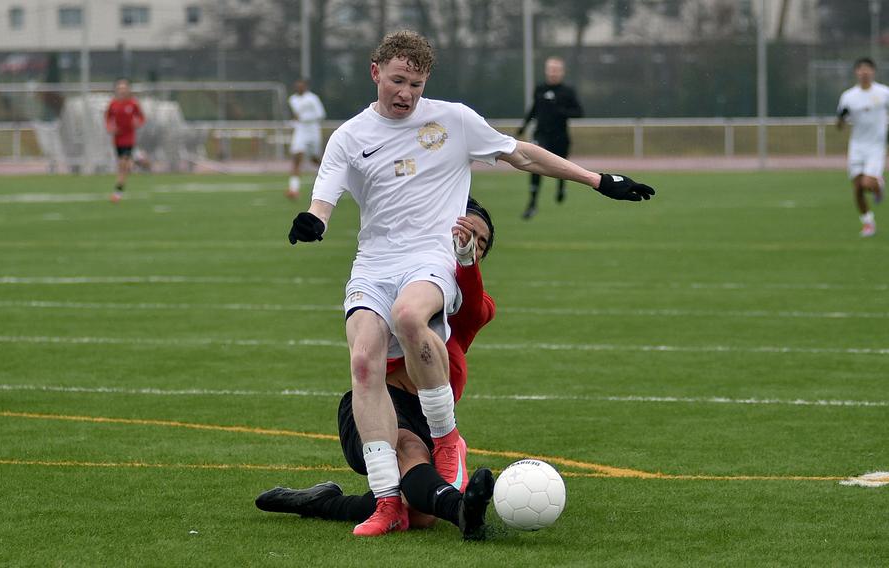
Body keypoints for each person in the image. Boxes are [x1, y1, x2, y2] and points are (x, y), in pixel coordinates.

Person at [288, 30, 653, 538]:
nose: (406, 94)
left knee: (410, 317)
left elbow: (521, 153)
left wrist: (597, 180)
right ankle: (387, 503)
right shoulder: (350, 136)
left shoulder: (453, 120)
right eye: (397, 81)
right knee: (361, 360)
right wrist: (314, 222)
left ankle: (446, 437)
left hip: (429, 257)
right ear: (376, 73)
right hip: (372, 262)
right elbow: (323, 197)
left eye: (416, 84)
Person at [259, 198, 498, 541]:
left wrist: (464, 261)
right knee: (410, 450)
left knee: (418, 516)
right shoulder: (392, 292)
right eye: (463, 231)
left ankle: (324, 502)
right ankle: (462, 511)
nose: (471, 243)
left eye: (481, 242)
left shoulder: (476, 306)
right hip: (378, 405)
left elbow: (472, 302)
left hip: (429, 415)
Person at [517, 57, 583, 220]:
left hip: (560, 136)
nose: (553, 72)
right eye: (550, 69)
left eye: (556, 69)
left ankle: (561, 186)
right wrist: (523, 126)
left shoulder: (568, 92)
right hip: (541, 135)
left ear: (562, 72)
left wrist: (560, 110)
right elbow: (533, 109)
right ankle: (532, 204)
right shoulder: (539, 89)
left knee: (562, 166)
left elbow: (579, 113)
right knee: (534, 165)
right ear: (546, 71)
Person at [837, 57, 889, 238]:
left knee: (867, 183)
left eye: (868, 69)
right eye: (861, 69)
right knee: (858, 188)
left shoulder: (884, 93)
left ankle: (878, 185)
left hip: (876, 145)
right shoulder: (848, 96)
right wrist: (842, 117)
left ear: (873, 71)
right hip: (857, 146)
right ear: (856, 72)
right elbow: (840, 125)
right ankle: (868, 222)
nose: (864, 72)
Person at [105, 78, 145, 203]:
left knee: (123, 165)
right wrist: (110, 127)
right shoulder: (113, 104)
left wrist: (137, 123)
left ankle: (117, 192)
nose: (122, 91)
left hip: (129, 137)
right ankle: (136, 160)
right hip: (117, 138)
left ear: (128, 90)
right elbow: (107, 118)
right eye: (119, 88)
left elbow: (142, 117)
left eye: (124, 88)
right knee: (122, 166)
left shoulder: (133, 103)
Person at [286, 78, 327, 200]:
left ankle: (330, 175)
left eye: (301, 86)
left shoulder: (312, 98)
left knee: (315, 159)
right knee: (297, 157)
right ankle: (293, 189)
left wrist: (304, 118)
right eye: (297, 86)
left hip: (313, 131)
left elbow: (321, 114)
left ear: (305, 86)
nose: (299, 88)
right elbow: (296, 116)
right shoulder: (292, 99)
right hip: (300, 131)